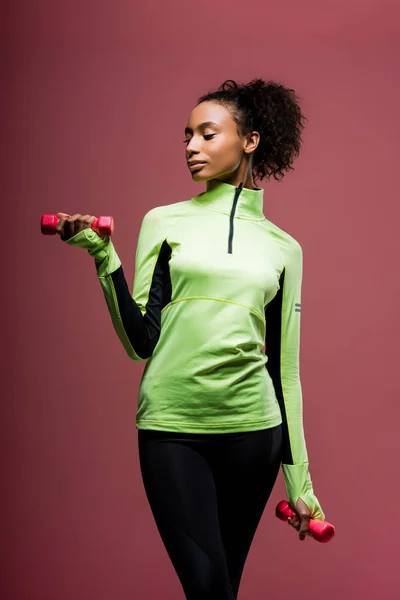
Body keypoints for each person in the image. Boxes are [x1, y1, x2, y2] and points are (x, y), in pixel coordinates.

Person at [55, 78, 326, 599]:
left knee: (224, 588)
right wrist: (101, 254)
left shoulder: (284, 248)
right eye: (186, 137)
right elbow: (140, 341)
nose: (191, 148)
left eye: (206, 134)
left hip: (255, 434)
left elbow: (282, 370)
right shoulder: (164, 222)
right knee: (207, 587)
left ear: (250, 140)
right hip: (173, 431)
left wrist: (302, 485)